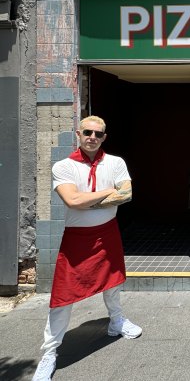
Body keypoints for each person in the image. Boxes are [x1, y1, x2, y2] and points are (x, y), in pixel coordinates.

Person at [33, 116, 142, 381]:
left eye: (98, 133)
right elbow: (72, 200)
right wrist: (107, 192)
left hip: (108, 233)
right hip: (77, 238)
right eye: (87, 132)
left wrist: (87, 201)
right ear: (78, 134)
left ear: (104, 137)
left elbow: (126, 194)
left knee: (114, 282)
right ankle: (49, 353)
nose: (92, 137)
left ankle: (116, 321)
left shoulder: (116, 162)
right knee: (62, 296)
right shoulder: (63, 166)